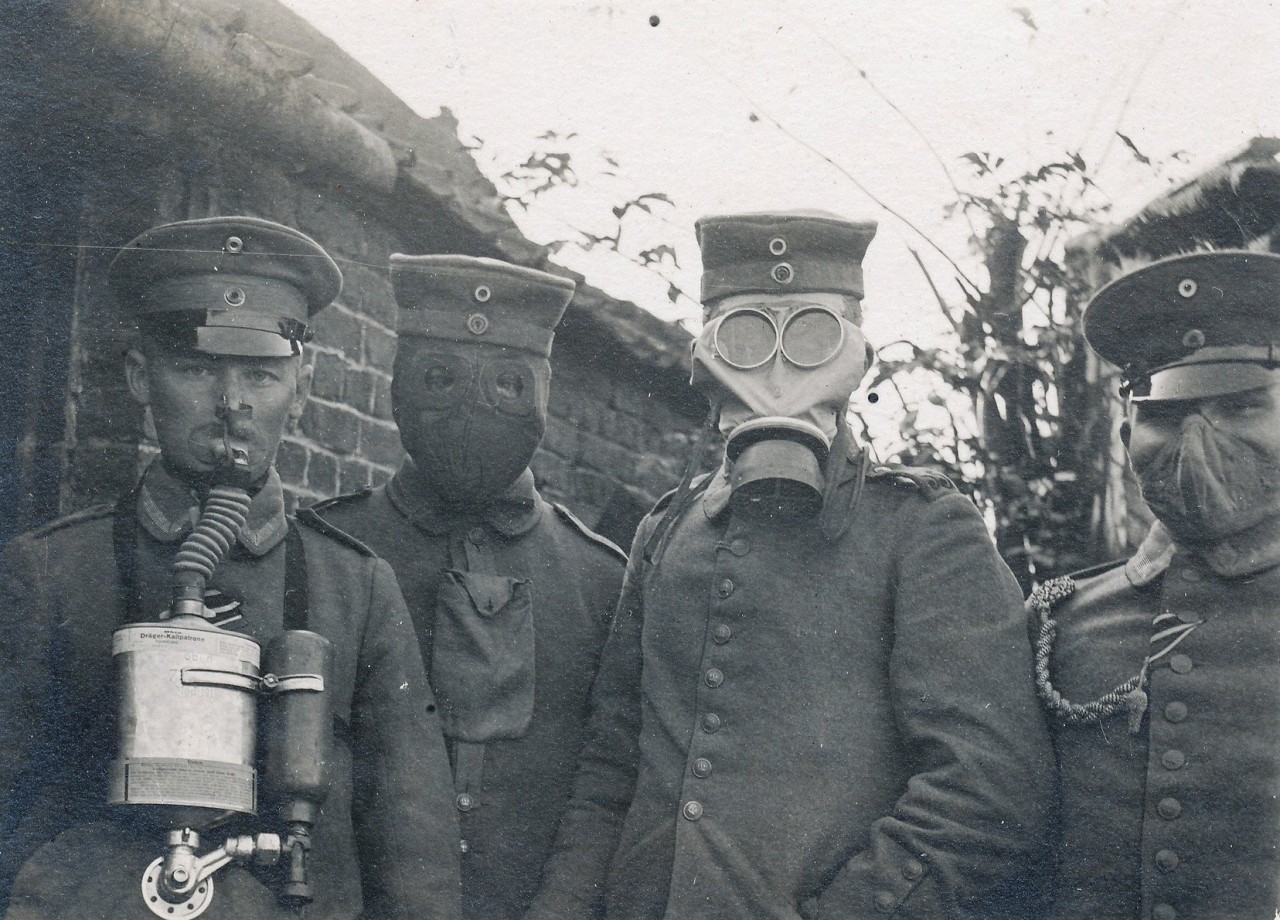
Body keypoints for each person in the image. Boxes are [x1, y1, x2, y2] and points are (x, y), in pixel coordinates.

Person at [526, 211, 1053, 920]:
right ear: (705, 356)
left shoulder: (922, 529)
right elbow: (611, 768)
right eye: (743, 337)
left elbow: (989, 788)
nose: (776, 370)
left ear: (856, 355)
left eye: (812, 337)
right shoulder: (667, 529)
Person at [0, 216, 461, 919]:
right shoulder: (56, 571)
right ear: (138, 376)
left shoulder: (356, 589)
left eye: (260, 374)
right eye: (194, 367)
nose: (230, 403)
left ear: (299, 392)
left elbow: (413, 854)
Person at [313, 254, 625, 920]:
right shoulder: (329, 552)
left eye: (507, 383)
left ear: (541, 389)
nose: (472, 409)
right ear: (401, 384)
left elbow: (610, 782)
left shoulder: (600, 581)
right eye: (440, 378)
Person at [1031, 250, 1280, 920]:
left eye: (1240, 407)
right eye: (1167, 417)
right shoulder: (1060, 625)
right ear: (1124, 436)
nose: (1200, 441)